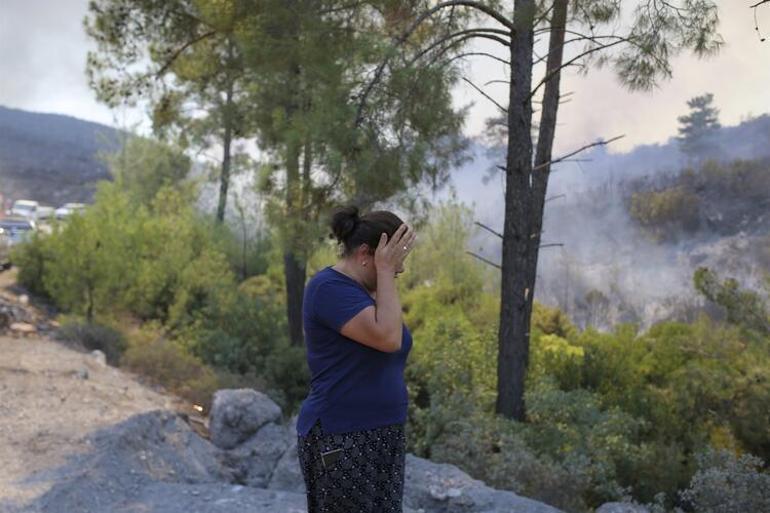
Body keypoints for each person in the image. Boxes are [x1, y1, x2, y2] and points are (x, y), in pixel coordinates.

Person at [296, 205, 417, 513]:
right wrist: (386, 272)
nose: (399, 270)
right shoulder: (328, 289)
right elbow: (389, 338)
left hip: (382, 433)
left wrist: (385, 274)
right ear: (366, 254)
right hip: (343, 435)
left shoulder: (368, 293)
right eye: (393, 262)